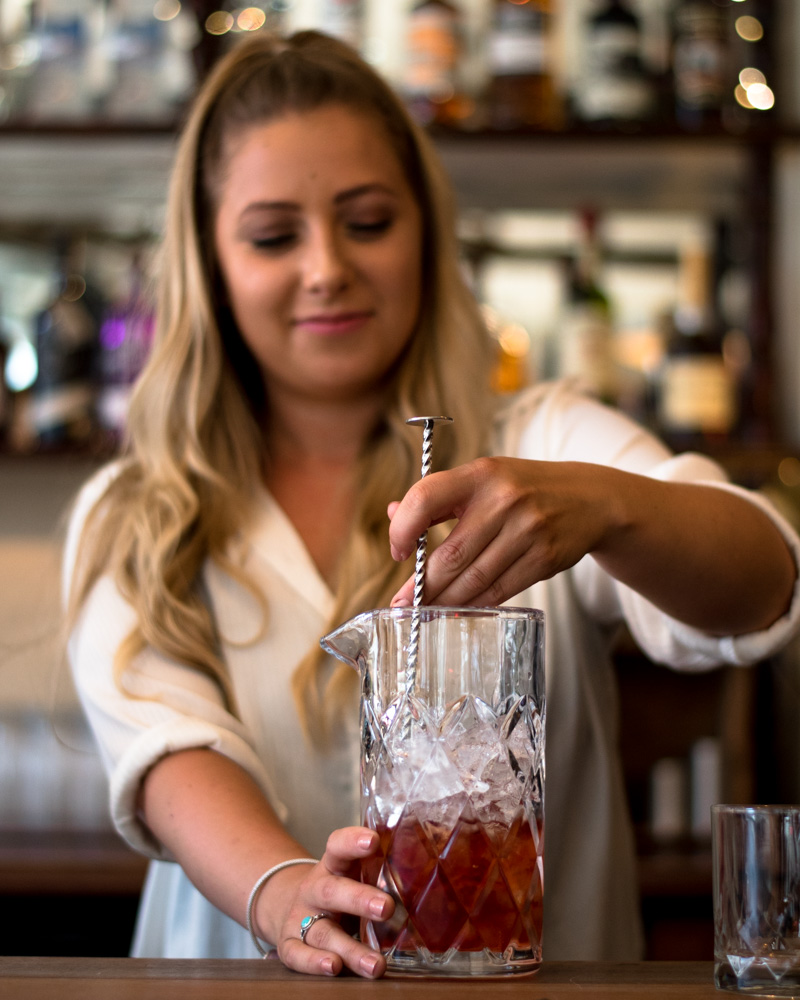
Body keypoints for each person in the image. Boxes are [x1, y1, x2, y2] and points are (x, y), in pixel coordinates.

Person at [63, 29, 800, 978]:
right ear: (209, 260)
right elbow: (168, 755)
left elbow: (765, 581)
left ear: (425, 229)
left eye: (367, 222)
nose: (326, 267)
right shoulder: (134, 508)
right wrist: (285, 889)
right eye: (274, 235)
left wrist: (613, 509)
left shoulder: (545, 438)